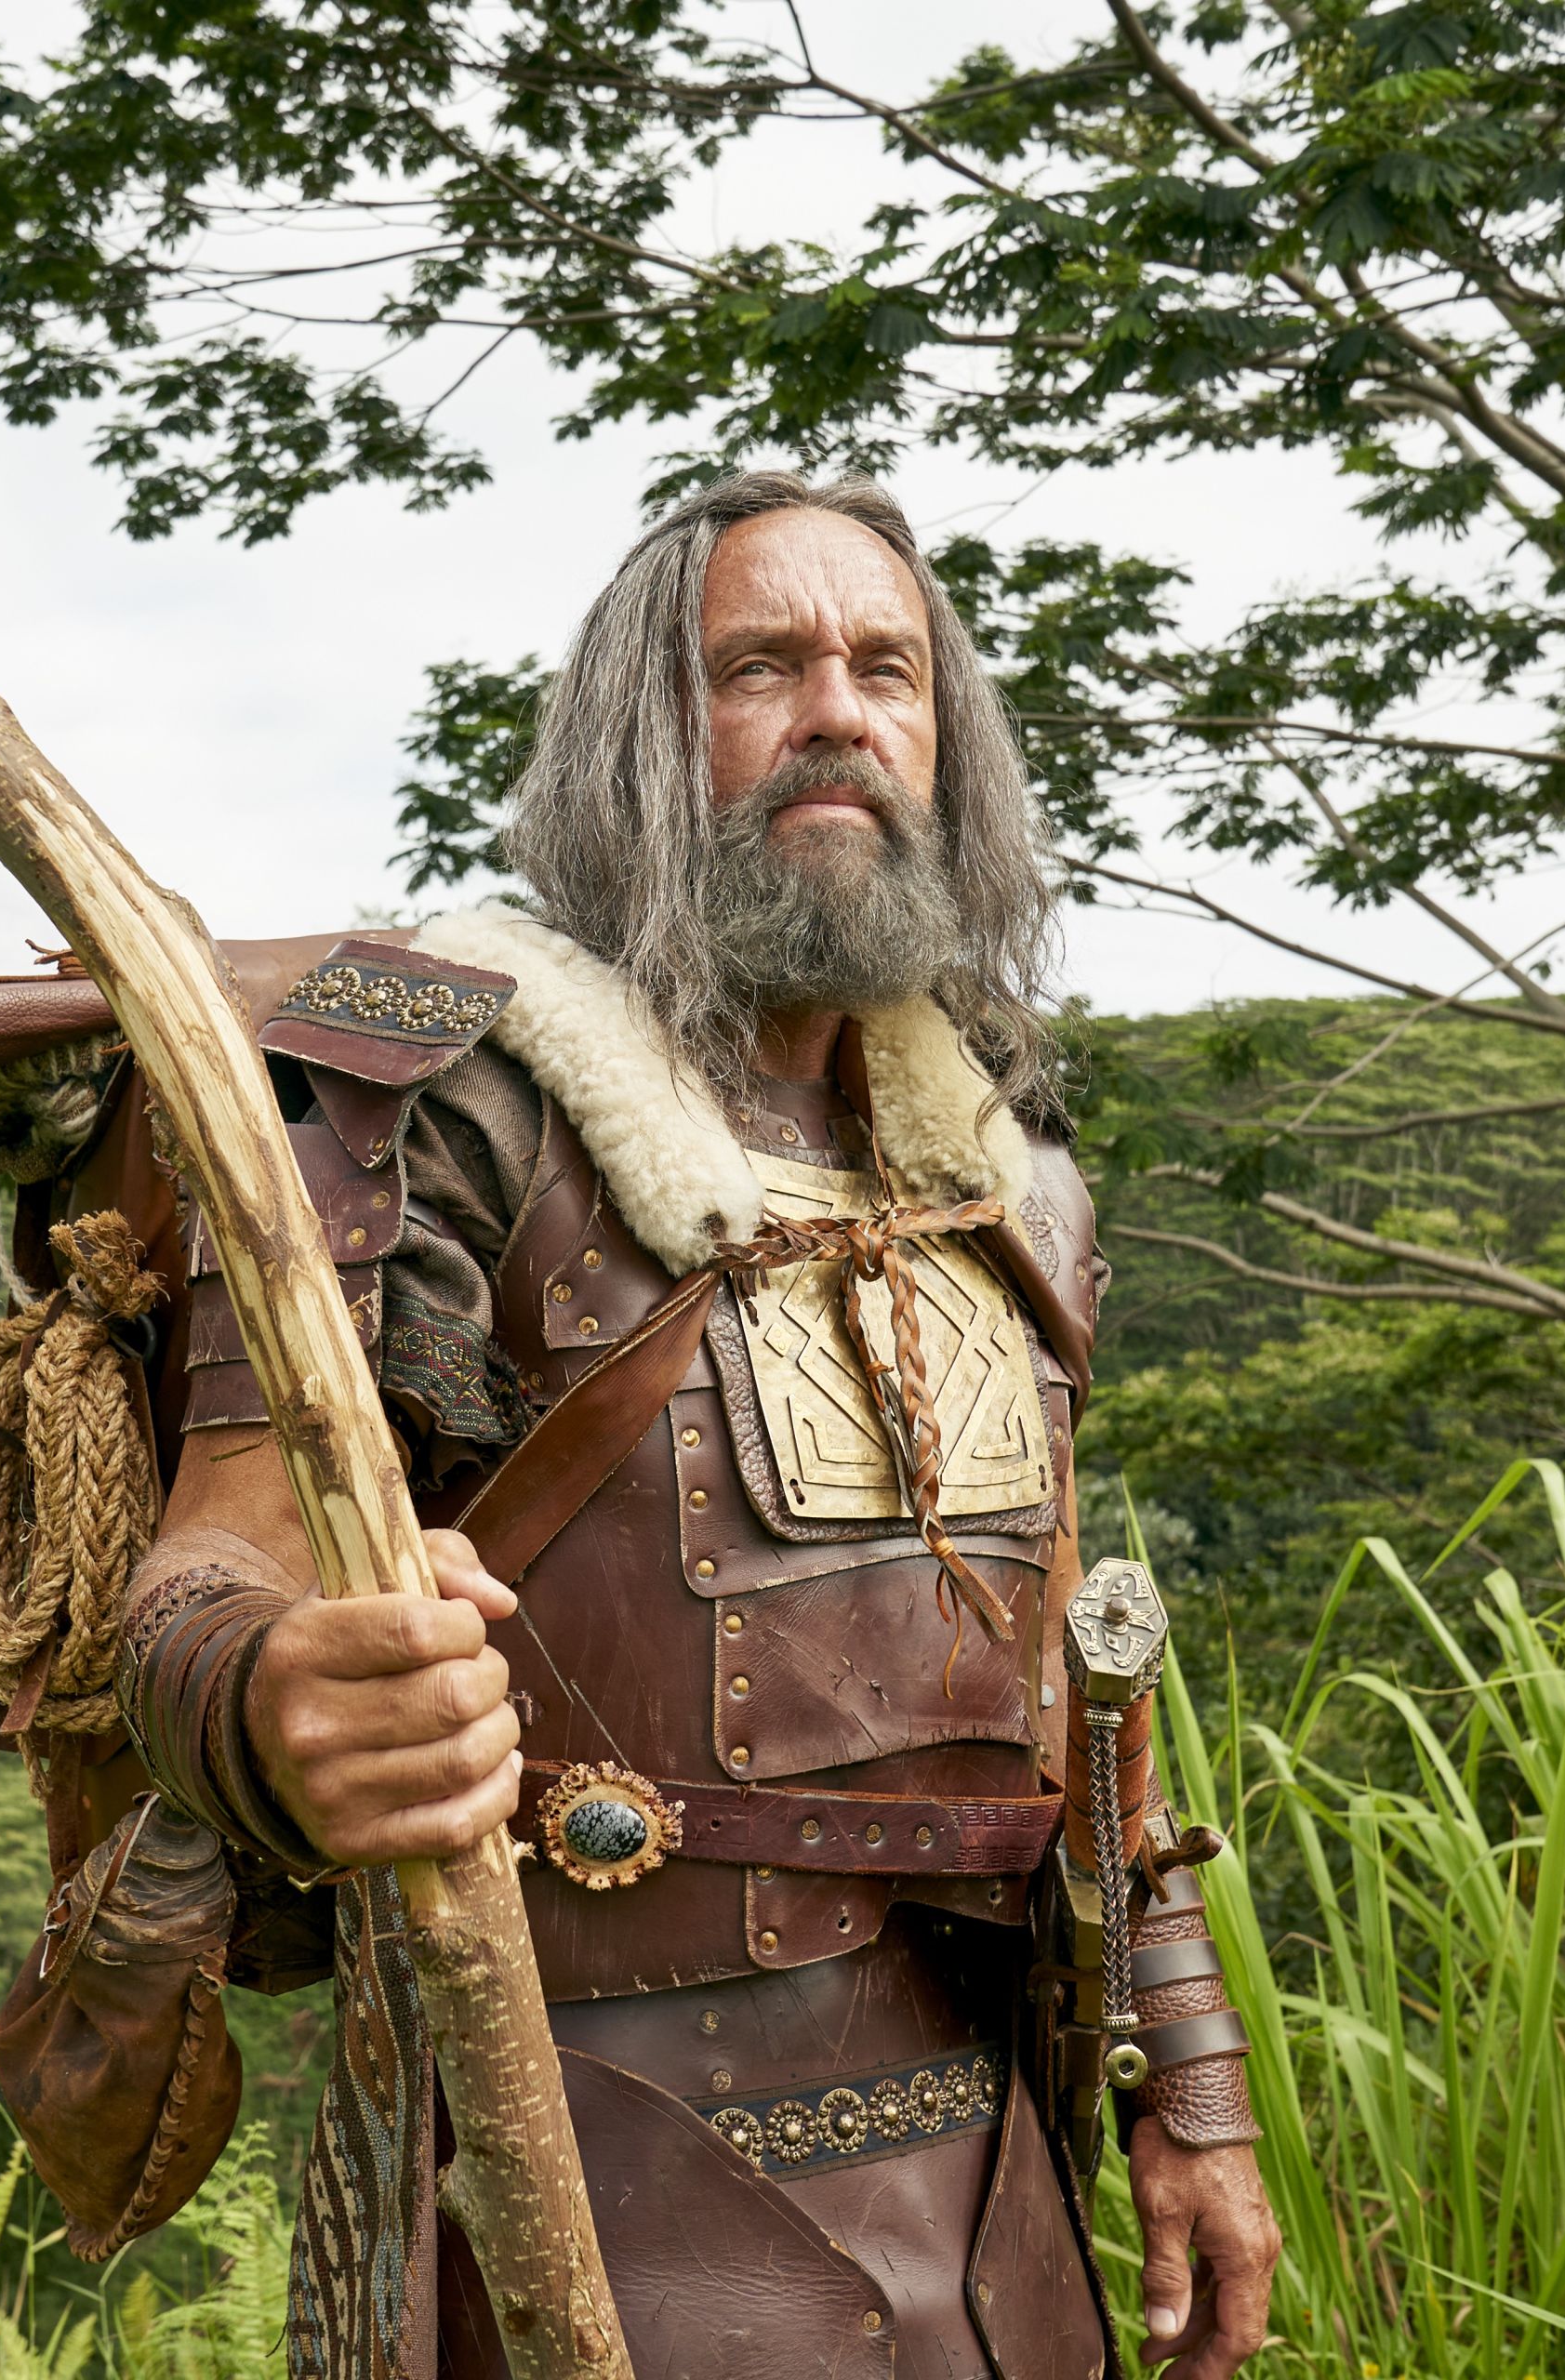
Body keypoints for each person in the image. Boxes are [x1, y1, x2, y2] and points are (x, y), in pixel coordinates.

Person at [115, 472, 1280, 2380]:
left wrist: (1193, 2083)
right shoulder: (427, 1088)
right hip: (573, 2193)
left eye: (886, 667)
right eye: (762, 663)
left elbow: (1081, 1676)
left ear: (945, 737)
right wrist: (275, 1697)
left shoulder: (997, 1145)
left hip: (1004, 2204)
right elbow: (209, 1565)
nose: (838, 708)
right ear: (641, 736)